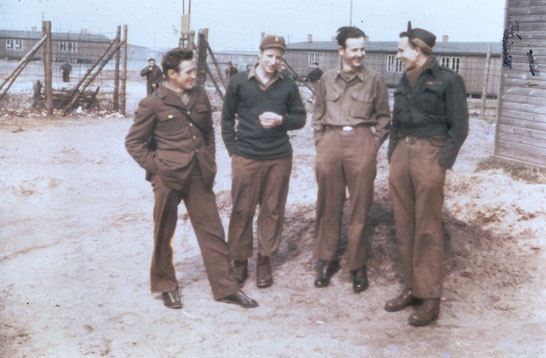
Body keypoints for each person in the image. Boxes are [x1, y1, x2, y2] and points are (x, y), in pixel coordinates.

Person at [126, 48, 258, 310]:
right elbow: (133, 142)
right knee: (164, 231)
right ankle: (166, 286)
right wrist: (157, 168)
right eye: (189, 72)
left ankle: (226, 288)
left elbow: (208, 132)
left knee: (212, 230)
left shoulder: (199, 95)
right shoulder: (153, 103)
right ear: (172, 74)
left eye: (195, 71)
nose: (194, 76)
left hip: (198, 174)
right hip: (168, 177)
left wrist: (209, 162)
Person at [385, 22, 468, 326]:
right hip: (402, 156)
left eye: (401, 50)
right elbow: (395, 122)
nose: (398, 55)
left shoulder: (449, 80)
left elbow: (459, 128)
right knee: (404, 225)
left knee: (428, 227)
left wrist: (441, 163)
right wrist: (392, 153)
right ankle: (412, 288)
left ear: (418, 50)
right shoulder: (404, 80)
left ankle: (431, 297)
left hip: (431, 155)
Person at [222, 35, 306, 289]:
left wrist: (281, 120)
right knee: (242, 210)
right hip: (246, 157)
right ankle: (239, 260)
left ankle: (264, 260)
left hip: (278, 158)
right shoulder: (239, 82)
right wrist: (234, 151)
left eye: (279, 57)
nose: (274, 61)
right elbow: (226, 120)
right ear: (259, 54)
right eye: (269, 55)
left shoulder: (287, 85)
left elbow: (300, 118)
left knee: (272, 210)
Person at [311, 26, 390, 293]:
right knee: (328, 205)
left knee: (360, 207)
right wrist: (322, 145)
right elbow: (318, 115)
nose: (360, 54)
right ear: (341, 50)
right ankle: (327, 260)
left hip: (361, 142)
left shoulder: (374, 79)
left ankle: (357, 265)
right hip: (330, 142)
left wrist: (371, 146)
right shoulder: (326, 79)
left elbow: (383, 119)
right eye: (354, 49)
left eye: (363, 49)